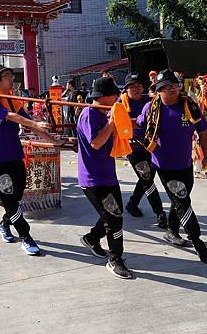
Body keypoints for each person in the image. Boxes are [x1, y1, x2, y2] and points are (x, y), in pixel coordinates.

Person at [137, 69, 207, 263]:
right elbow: (136, 126)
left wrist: (206, 156)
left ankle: (172, 231)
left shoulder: (189, 106)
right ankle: (197, 240)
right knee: (182, 201)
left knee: (180, 198)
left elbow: (203, 132)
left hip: (185, 163)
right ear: (158, 91)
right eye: (165, 87)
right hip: (164, 165)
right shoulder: (151, 108)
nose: (170, 89)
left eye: (173, 85)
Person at [0, 64, 58, 256]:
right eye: (6, 76)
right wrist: (34, 122)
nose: (11, 79)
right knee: (9, 199)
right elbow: (14, 118)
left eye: (11, 75)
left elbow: (32, 126)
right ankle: (26, 237)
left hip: (15, 155)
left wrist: (54, 141)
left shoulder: (14, 101)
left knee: (15, 198)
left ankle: (4, 224)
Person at [76, 76, 133, 279]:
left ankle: (92, 238)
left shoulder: (106, 111)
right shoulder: (89, 114)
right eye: (115, 94)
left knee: (112, 215)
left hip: (108, 175)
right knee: (114, 220)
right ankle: (115, 259)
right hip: (93, 178)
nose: (118, 97)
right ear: (105, 96)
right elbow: (96, 143)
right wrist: (111, 121)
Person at [120, 73, 168, 228]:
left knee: (146, 179)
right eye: (132, 86)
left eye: (138, 86)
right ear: (126, 89)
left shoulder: (150, 101)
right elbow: (115, 122)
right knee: (147, 178)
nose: (136, 89)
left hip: (151, 146)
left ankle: (132, 203)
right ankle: (160, 213)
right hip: (133, 147)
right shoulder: (120, 104)